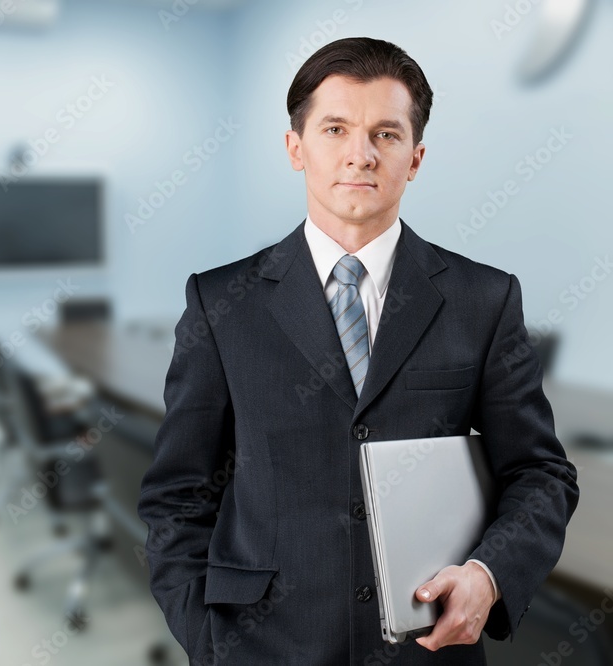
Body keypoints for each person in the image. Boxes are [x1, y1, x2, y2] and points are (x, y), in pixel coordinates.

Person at [136, 37, 579, 665]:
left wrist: (488, 574)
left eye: (386, 135)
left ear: (416, 158)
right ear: (296, 148)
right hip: (261, 645)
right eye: (336, 128)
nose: (360, 155)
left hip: (425, 646)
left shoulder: (484, 298)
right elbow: (178, 494)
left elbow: (540, 473)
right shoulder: (221, 303)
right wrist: (208, 643)